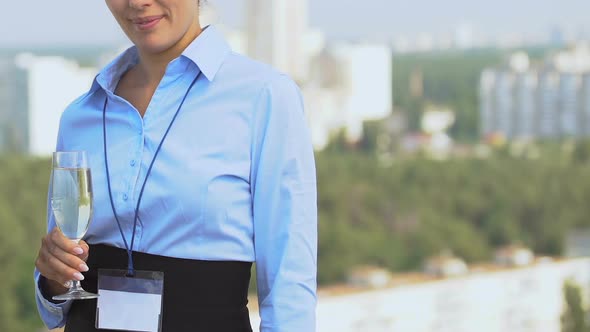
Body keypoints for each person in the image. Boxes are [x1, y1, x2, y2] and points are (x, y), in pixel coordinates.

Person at [33, 0, 318, 331]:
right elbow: (54, 307)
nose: (137, 2)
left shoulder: (265, 97)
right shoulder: (79, 116)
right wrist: (53, 280)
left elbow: (289, 287)